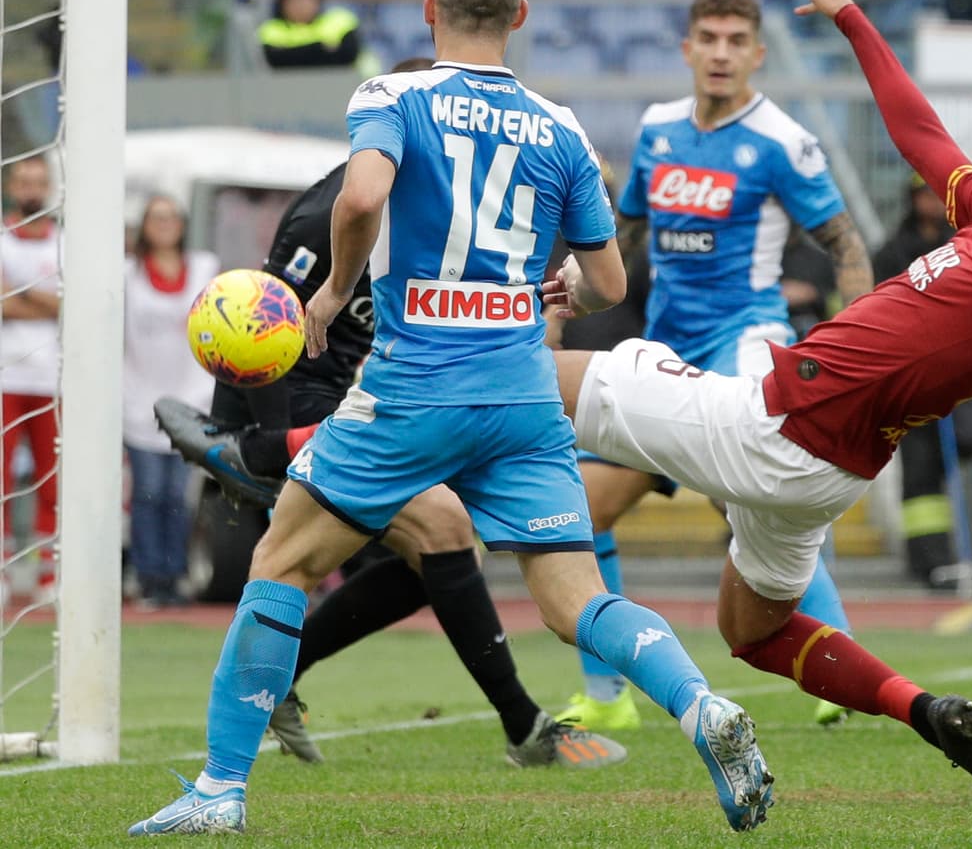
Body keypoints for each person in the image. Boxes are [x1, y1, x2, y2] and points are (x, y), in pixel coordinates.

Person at [130, 0, 773, 836]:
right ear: (519, 12)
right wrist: (565, 291)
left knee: (280, 557)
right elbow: (611, 281)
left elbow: (359, 196)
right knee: (575, 598)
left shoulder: (392, 93)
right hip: (520, 388)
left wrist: (331, 294)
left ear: (430, 8)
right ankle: (703, 705)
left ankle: (219, 791)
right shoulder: (558, 126)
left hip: (414, 383)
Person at [545, 0, 972, 802]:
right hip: (821, 472)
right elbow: (918, 132)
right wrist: (852, 16)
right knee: (751, 631)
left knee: (526, 373)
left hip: (771, 420)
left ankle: (358, 450)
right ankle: (927, 710)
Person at [157, 56, 627, 771]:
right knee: (441, 529)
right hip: (320, 400)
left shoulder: (434, 209)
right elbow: (263, 330)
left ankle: (292, 676)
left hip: (390, 396)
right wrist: (270, 447)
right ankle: (524, 724)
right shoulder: (329, 212)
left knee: (429, 564)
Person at [557, 0, 875, 733]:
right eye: (710, 37)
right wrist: (569, 290)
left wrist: (853, 343)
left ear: (758, 53)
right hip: (665, 353)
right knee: (584, 503)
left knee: (758, 507)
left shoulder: (781, 140)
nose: (723, 52)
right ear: (688, 48)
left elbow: (847, 246)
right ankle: (607, 698)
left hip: (744, 346)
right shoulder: (660, 127)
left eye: (737, 40)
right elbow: (626, 233)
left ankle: (839, 672)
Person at [872, 172, 972, 589]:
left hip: (960, 377)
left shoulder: (967, 244)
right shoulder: (892, 251)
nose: (929, 203)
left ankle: (967, 553)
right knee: (919, 472)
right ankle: (928, 559)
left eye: (935, 196)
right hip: (909, 379)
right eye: (921, 195)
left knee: (968, 462)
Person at [123, 196, 219, 608]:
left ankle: (175, 574)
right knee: (148, 490)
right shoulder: (127, 274)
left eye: (170, 217)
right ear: (143, 225)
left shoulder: (204, 269)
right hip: (138, 399)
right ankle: (150, 576)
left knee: (180, 494)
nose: (163, 225)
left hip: (191, 399)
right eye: (155, 217)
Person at [0, 155, 61, 603]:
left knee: (52, 478)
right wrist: (43, 299)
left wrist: (17, 291)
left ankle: (47, 576)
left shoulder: (65, 241)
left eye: (38, 180)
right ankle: (4, 573)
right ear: (12, 185)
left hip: (53, 378)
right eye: (23, 180)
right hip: (6, 375)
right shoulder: (2, 239)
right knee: (2, 479)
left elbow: (71, 303)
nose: (31, 188)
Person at [258, 0, 366, 70]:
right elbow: (277, 60)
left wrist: (295, 51)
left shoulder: (340, 20)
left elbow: (348, 56)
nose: (301, 3)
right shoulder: (271, 28)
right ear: (283, 2)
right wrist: (323, 47)